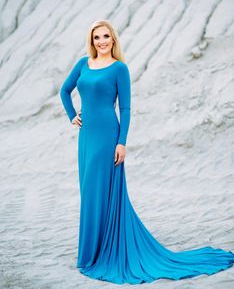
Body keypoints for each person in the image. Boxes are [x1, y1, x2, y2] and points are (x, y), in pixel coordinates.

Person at [60, 20, 234, 285]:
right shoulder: (83, 64)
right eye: (97, 37)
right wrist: (72, 115)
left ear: (113, 39)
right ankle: (88, 255)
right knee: (89, 192)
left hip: (108, 137)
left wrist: (122, 142)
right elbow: (64, 90)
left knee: (104, 193)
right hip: (86, 139)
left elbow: (126, 109)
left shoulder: (119, 68)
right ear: (92, 40)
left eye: (106, 36)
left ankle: (97, 256)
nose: (102, 41)